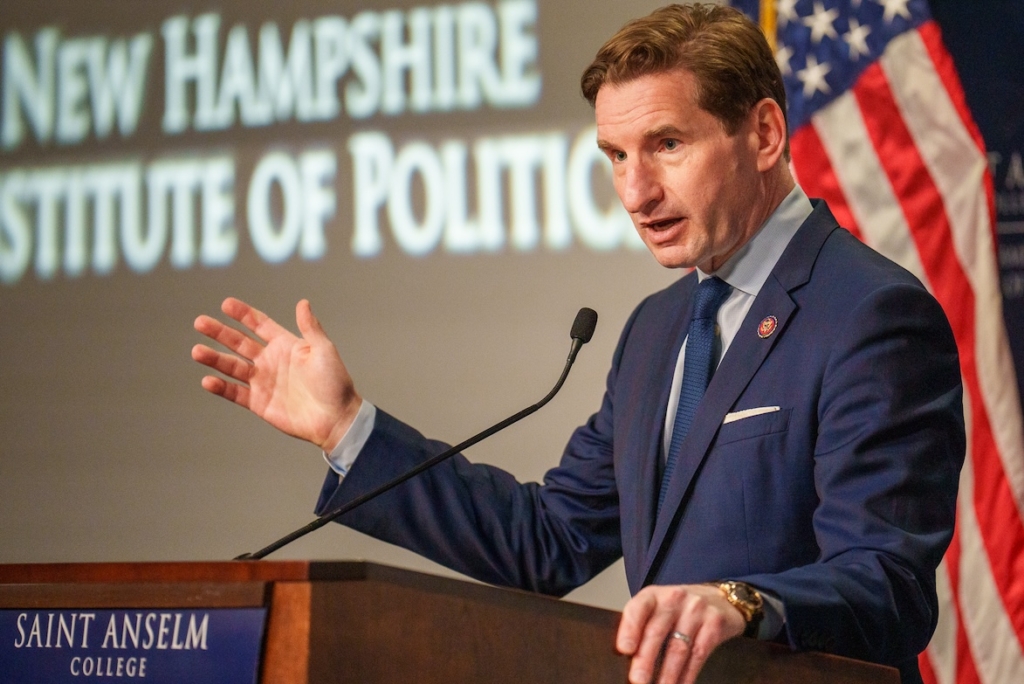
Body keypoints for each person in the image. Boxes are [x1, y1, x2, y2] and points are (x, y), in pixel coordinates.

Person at [192, 5, 964, 684]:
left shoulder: (869, 314)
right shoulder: (656, 332)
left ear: (762, 133)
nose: (635, 193)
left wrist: (741, 603)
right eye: (616, 156)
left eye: (666, 144)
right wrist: (347, 427)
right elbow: (549, 543)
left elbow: (886, 583)